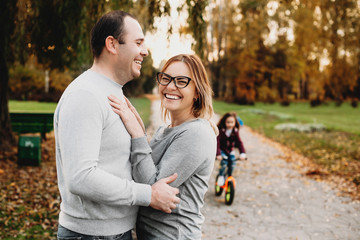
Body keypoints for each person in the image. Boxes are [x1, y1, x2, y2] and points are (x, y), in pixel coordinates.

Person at [54, 10, 180, 240]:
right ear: (112, 44)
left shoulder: (111, 91)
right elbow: (81, 177)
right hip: (91, 235)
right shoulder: (85, 94)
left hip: (113, 233)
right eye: (138, 42)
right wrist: (148, 194)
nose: (145, 51)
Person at [108, 54, 218, 239]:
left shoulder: (196, 133)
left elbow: (153, 190)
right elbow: (141, 173)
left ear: (197, 91)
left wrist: (138, 135)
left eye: (181, 81)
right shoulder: (164, 129)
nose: (170, 86)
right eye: (166, 78)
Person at [216, 112, 246, 186]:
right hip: (222, 150)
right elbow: (217, 143)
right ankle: (221, 176)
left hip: (230, 150)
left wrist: (242, 153)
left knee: (233, 162)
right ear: (224, 122)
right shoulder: (221, 131)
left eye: (232, 122)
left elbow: (239, 142)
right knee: (224, 162)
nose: (230, 124)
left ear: (235, 123)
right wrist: (218, 154)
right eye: (228, 122)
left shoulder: (235, 131)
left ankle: (229, 176)